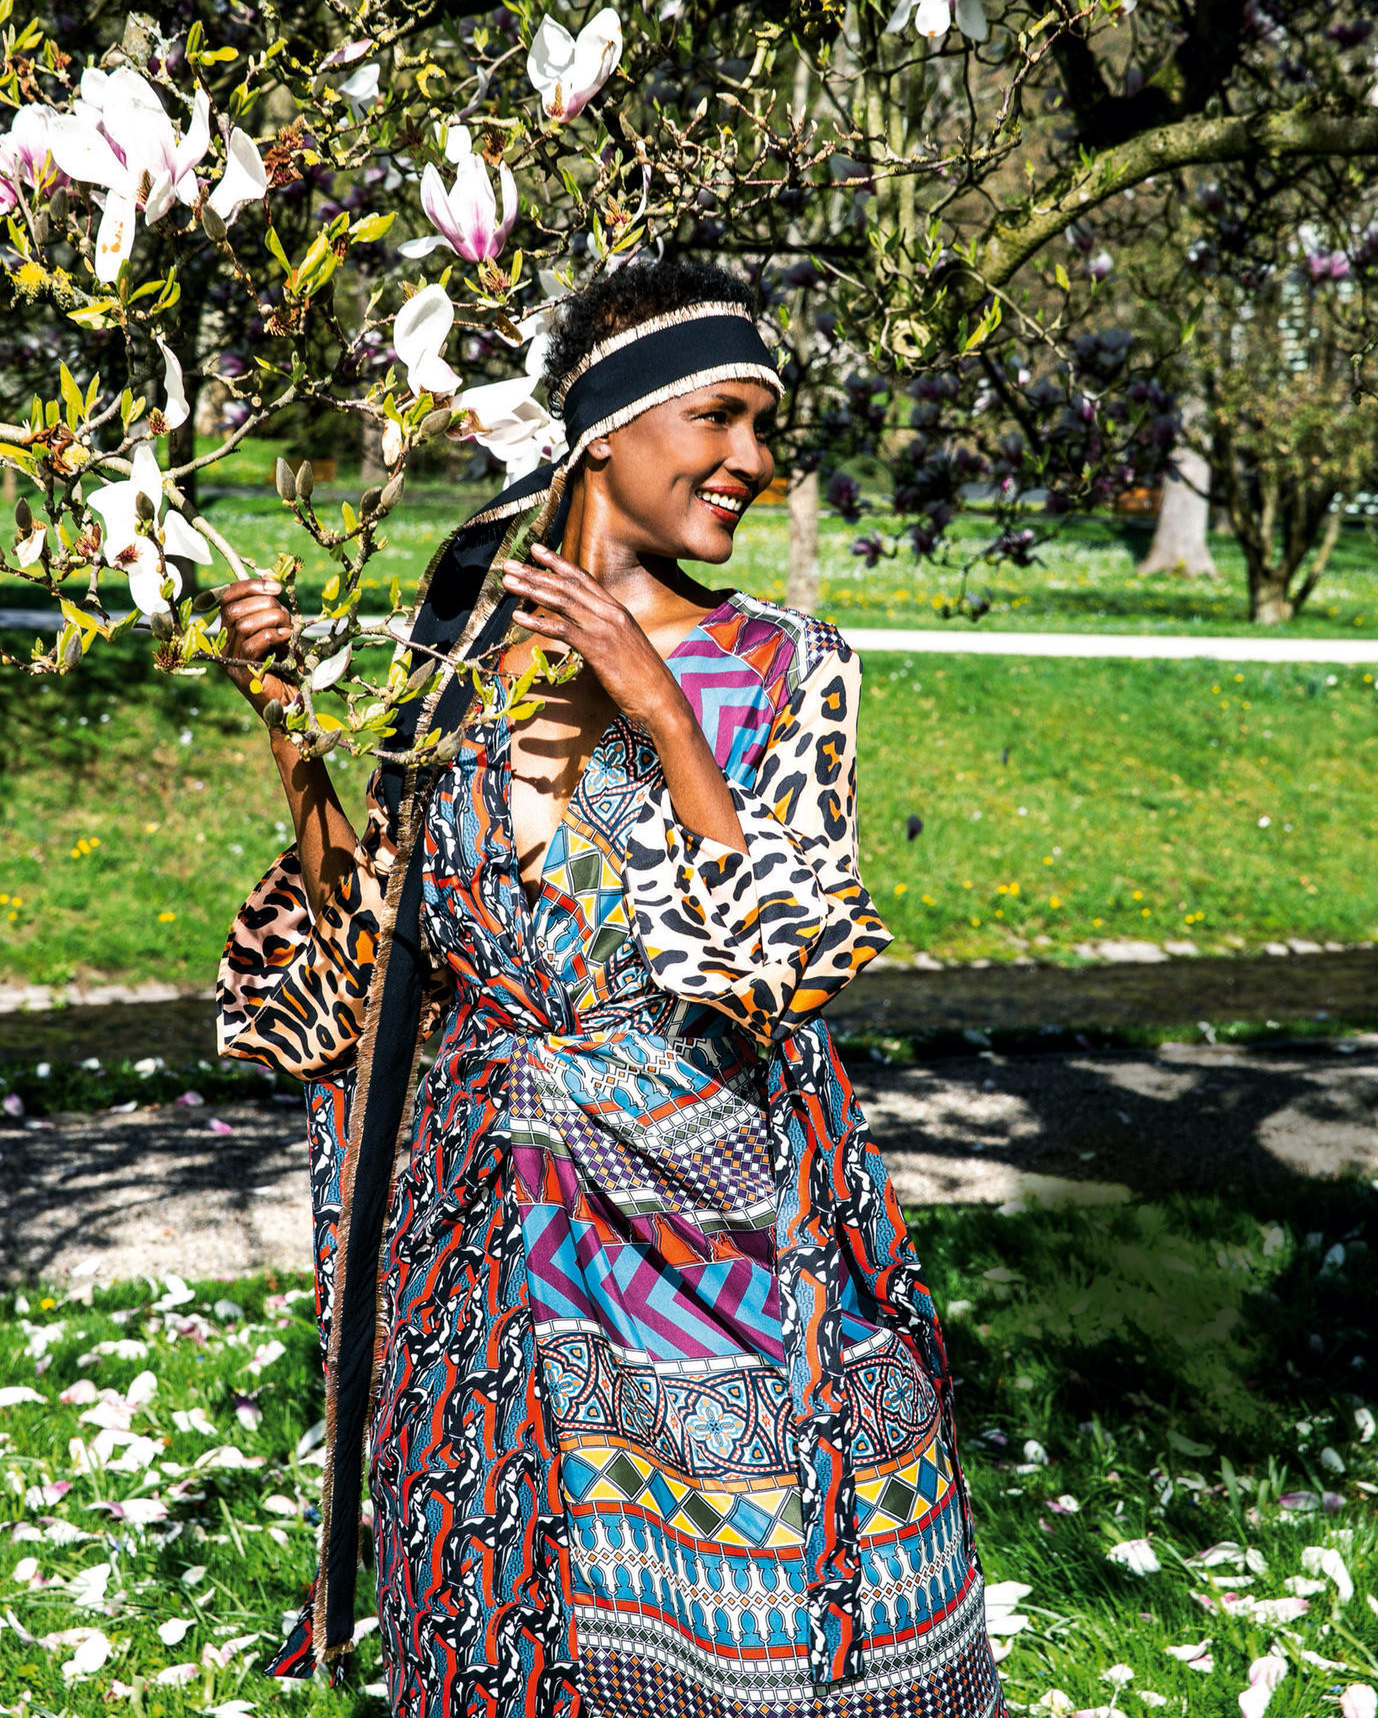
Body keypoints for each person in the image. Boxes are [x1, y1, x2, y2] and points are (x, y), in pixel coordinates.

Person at [216, 256, 1006, 1718]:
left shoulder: (782, 668)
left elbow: (785, 965)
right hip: (482, 1229)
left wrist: (649, 701)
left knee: (751, 1618)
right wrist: (294, 737)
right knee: (501, 1594)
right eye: (720, 417)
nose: (752, 464)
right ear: (606, 429)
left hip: (706, 1225)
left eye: (765, 428)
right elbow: (374, 955)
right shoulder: (446, 665)